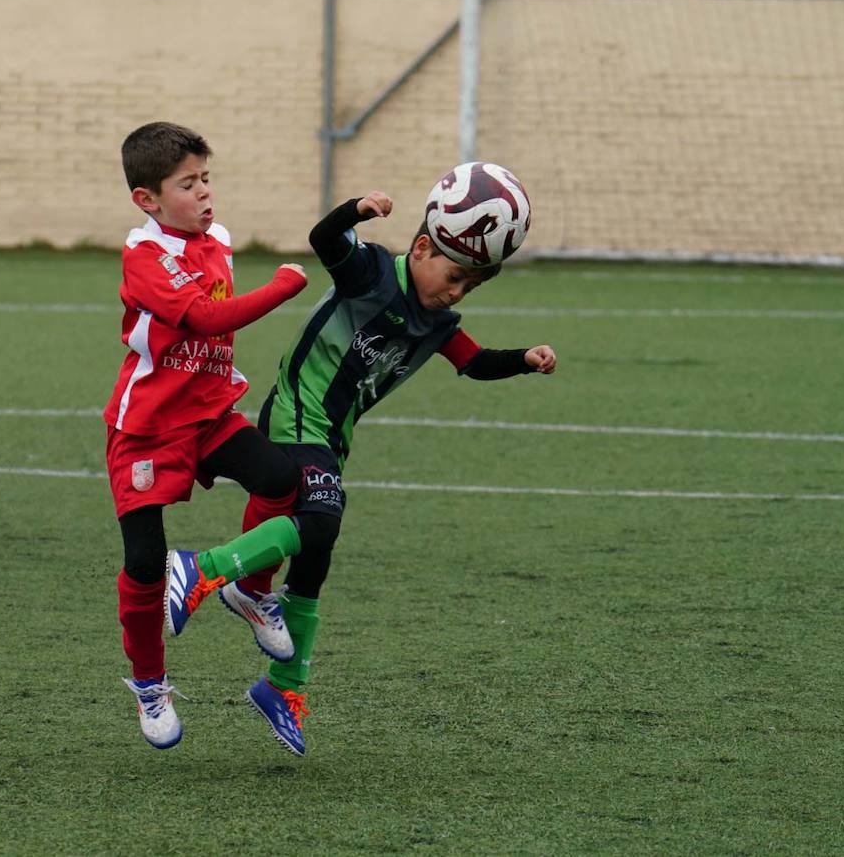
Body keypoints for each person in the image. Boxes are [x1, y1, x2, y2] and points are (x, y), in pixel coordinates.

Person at [164, 164, 557, 756]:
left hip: (333, 437)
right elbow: (325, 240)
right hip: (299, 414)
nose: (456, 292)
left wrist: (525, 358)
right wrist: (356, 210)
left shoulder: (438, 321)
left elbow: (474, 362)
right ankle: (203, 569)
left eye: (469, 287)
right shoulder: (371, 271)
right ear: (421, 247)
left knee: (316, 556)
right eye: (453, 276)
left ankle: (284, 689)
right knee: (321, 518)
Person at [107, 121, 324, 750]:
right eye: (187, 184)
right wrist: (285, 286)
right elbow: (204, 317)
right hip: (147, 428)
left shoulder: (217, 238)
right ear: (147, 199)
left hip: (208, 415)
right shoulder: (145, 257)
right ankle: (150, 685)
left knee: (283, 479)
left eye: (206, 179)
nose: (204, 194)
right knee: (146, 566)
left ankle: (250, 591)